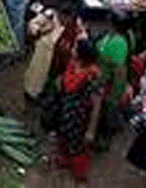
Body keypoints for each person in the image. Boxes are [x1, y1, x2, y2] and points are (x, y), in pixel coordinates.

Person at [51, 39, 104, 184]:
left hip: (80, 118)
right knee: (63, 137)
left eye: (75, 48)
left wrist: (90, 131)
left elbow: (97, 105)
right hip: (66, 112)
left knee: (79, 146)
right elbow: (64, 81)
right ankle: (65, 160)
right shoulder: (74, 64)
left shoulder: (93, 76)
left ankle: (80, 173)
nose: (73, 49)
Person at [95, 14, 135, 146]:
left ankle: (103, 139)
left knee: (106, 111)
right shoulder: (128, 37)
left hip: (109, 83)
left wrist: (116, 92)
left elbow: (119, 71)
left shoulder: (119, 44)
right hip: (111, 81)